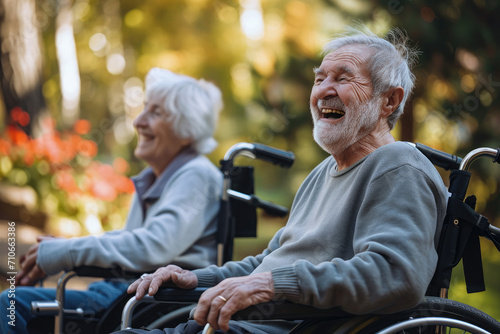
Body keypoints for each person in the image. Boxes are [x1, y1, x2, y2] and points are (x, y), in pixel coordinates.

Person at [116, 27, 448, 334]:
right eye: (319, 79)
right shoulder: (321, 173)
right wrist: (196, 277)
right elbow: (271, 260)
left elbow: (394, 275)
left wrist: (273, 285)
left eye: (343, 79)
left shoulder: (399, 165)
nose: (323, 91)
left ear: (388, 101)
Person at [0, 68, 224, 334]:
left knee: (11, 303)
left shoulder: (197, 174)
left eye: (155, 113)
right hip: (123, 293)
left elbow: (152, 246)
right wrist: (63, 248)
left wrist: (68, 251)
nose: (138, 121)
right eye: (144, 109)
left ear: (187, 128)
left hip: (146, 301)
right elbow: (134, 241)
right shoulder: (159, 177)